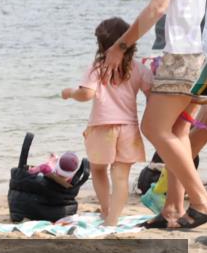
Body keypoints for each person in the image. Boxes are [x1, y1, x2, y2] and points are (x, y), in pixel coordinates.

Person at [104, 0, 207, 229]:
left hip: (182, 54)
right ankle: (173, 210)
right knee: (177, 131)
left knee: (154, 126)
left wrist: (121, 46)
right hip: (201, 54)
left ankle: (201, 201)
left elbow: (157, 7)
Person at [61, 17, 153, 226]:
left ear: (101, 45)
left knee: (98, 169)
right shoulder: (139, 69)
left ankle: (105, 208)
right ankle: (113, 220)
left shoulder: (98, 67)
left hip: (102, 127)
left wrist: (70, 92)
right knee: (120, 177)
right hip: (129, 128)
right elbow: (153, 94)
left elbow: (86, 94)